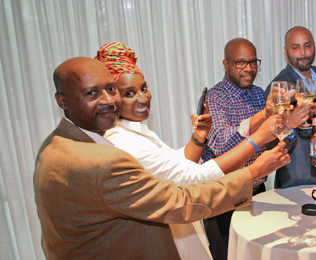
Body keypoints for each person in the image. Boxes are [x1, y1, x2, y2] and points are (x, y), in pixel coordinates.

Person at [33, 57, 289, 259]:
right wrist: (254, 167)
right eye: (92, 93)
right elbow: (182, 197)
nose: (109, 101)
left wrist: (199, 139)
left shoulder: (58, 143)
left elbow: (173, 166)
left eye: (111, 89)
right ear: (62, 101)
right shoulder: (107, 155)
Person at [96, 42, 283, 259]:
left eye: (144, 88)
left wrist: (198, 138)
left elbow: (176, 163)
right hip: (218, 196)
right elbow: (195, 173)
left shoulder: (137, 129)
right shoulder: (122, 140)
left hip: (252, 193)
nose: (143, 98)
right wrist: (258, 141)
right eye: (129, 93)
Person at [200, 38, 275, 259]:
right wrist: (262, 116)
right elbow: (221, 144)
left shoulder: (259, 93)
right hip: (224, 195)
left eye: (253, 62)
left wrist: (288, 123)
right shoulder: (214, 97)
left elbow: (268, 140)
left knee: (256, 253)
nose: (249, 69)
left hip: (256, 192)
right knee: (226, 255)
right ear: (226, 64)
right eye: (241, 63)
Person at [265, 26, 316, 188]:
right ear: (286, 51)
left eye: (307, 45)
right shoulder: (280, 87)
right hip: (298, 179)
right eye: (296, 47)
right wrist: (292, 122)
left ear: (314, 47)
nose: (303, 52)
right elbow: (271, 140)